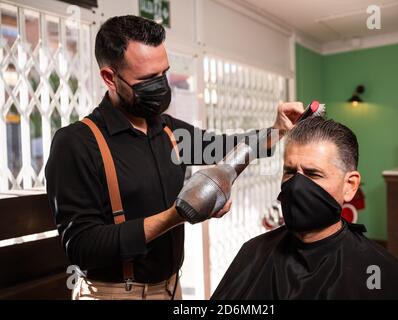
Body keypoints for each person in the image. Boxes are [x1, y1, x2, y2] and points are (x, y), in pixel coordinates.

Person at [45, 15, 303, 300]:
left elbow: (225, 147)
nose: (160, 86)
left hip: (171, 290)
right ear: (110, 78)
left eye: (163, 74)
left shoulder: (167, 129)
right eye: (147, 80)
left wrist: (277, 130)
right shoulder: (76, 144)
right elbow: (82, 246)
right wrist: (178, 215)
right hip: (114, 294)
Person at [211, 117, 398, 300]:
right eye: (289, 172)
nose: (297, 186)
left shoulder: (395, 279)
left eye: (313, 174)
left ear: (350, 186)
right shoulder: (253, 253)